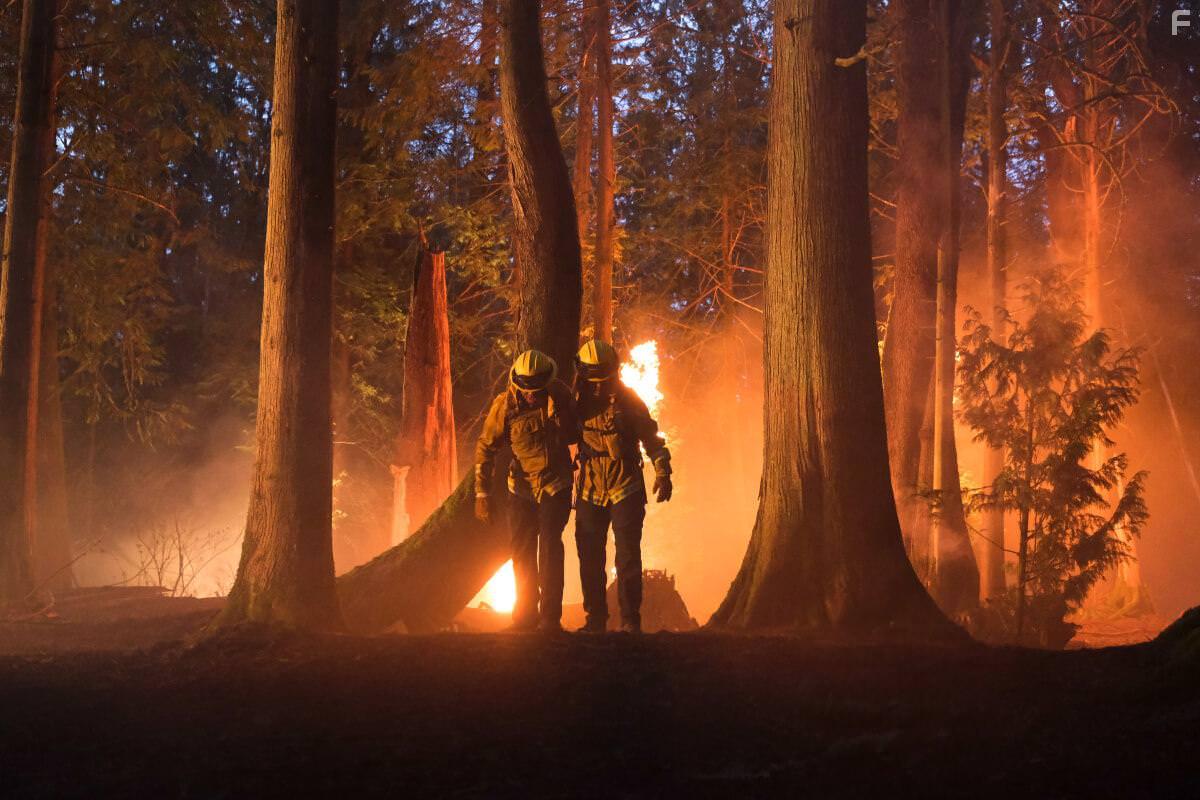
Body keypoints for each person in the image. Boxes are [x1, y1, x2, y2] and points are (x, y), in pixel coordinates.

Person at [572, 339, 672, 634]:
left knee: (627, 555)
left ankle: (630, 621)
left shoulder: (629, 401)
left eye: (605, 381)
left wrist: (663, 472)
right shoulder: (574, 402)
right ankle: (595, 619)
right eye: (594, 382)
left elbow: (653, 440)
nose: (600, 389)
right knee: (589, 555)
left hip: (625, 485)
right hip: (590, 487)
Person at [475, 349, 578, 632]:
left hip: (555, 485)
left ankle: (550, 619)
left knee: (549, 549)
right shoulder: (505, 405)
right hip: (519, 488)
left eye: (538, 390)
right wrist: (481, 493)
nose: (532, 395)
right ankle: (523, 618)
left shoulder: (561, 396)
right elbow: (486, 447)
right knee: (521, 553)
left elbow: (576, 435)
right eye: (527, 390)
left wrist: (561, 416)